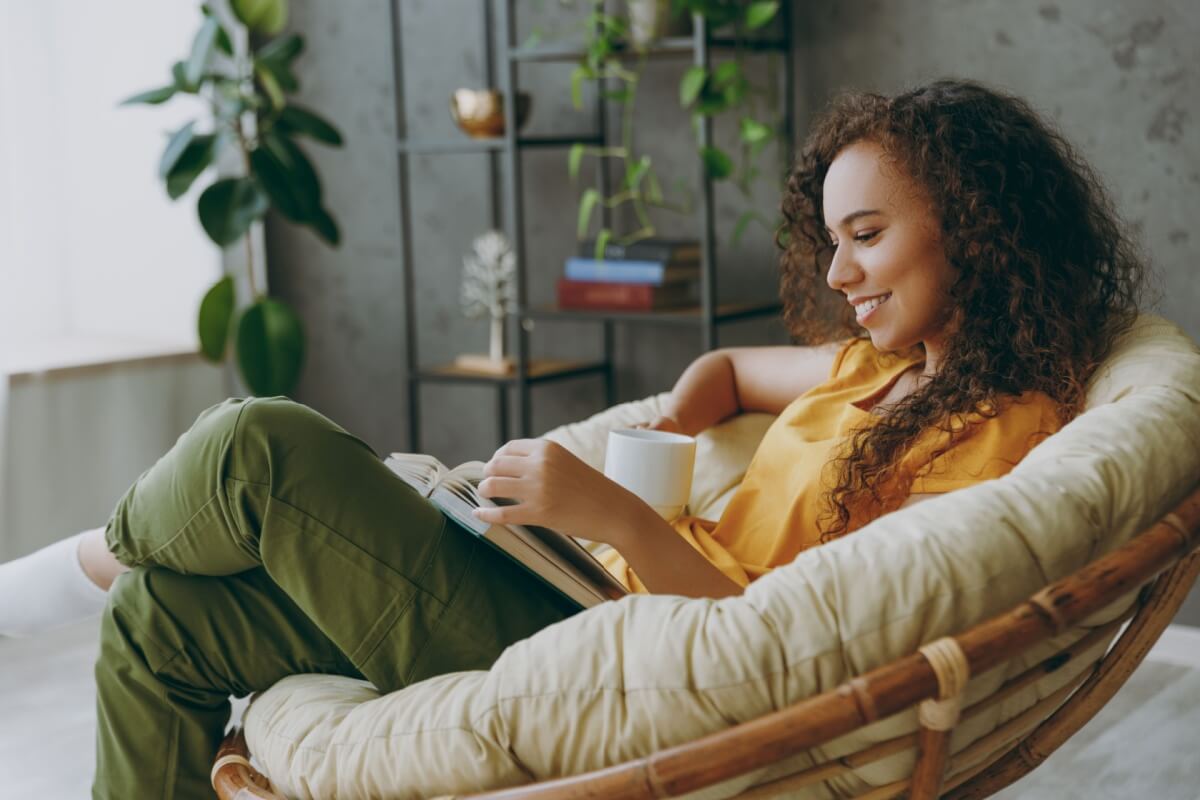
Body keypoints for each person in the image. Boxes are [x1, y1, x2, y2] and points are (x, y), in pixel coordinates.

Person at [0, 78, 1144, 798]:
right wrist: (683, 416)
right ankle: (114, 579)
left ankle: (66, 573)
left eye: (868, 235)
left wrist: (609, 512)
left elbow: (783, 646)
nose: (838, 273)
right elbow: (738, 366)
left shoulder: (1001, 437)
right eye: (829, 237)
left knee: (259, 444)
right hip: (567, 590)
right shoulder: (877, 367)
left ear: (977, 233)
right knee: (165, 619)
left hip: (620, 657)